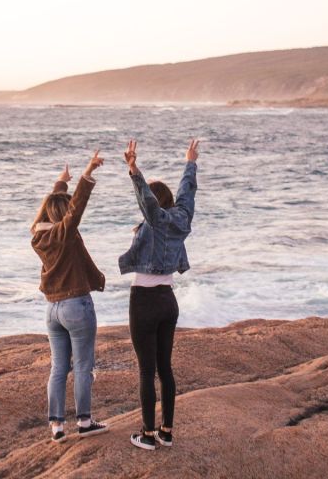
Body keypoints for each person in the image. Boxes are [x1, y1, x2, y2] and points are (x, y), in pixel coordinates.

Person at [119, 138, 200, 451]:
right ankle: (167, 431)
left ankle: (147, 435)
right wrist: (190, 162)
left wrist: (133, 170)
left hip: (144, 302)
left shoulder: (157, 220)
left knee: (145, 371)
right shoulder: (181, 219)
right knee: (165, 368)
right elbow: (187, 193)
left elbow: (148, 203)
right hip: (169, 301)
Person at [30, 149, 111, 443]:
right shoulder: (65, 233)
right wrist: (87, 173)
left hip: (52, 310)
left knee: (58, 368)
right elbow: (76, 209)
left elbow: (45, 213)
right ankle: (85, 421)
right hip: (77, 306)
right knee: (83, 367)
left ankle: (57, 427)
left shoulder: (38, 237)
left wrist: (59, 185)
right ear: (63, 215)